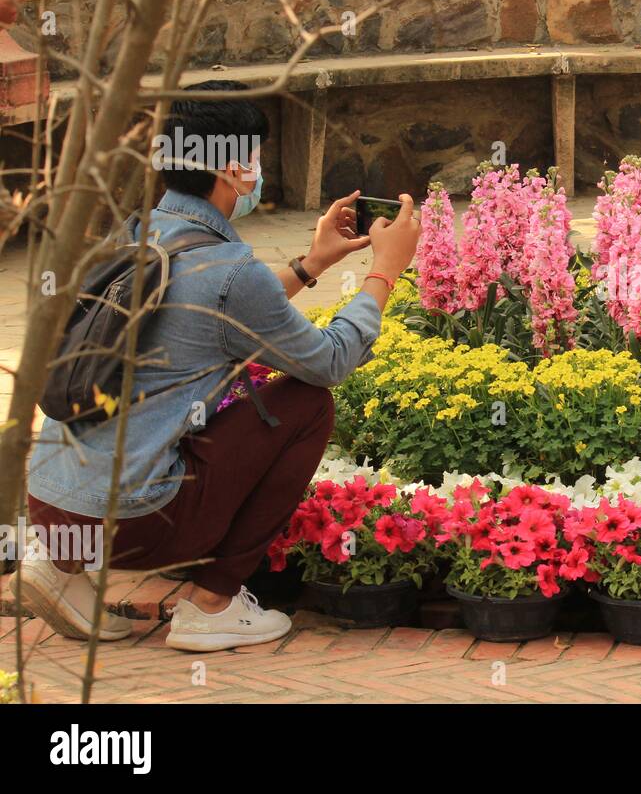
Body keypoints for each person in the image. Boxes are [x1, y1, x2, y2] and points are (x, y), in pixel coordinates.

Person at [15, 81, 421, 651]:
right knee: (305, 403)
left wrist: (314, 262)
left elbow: (218, 310)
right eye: (255, 156)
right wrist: (386, 269)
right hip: (135, 527)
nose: (259, 170)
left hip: (52, 504)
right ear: (232, 169)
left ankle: (60, 568)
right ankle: (212, 604)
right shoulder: (230, 269)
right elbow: (328, 361)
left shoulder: (132, 234)